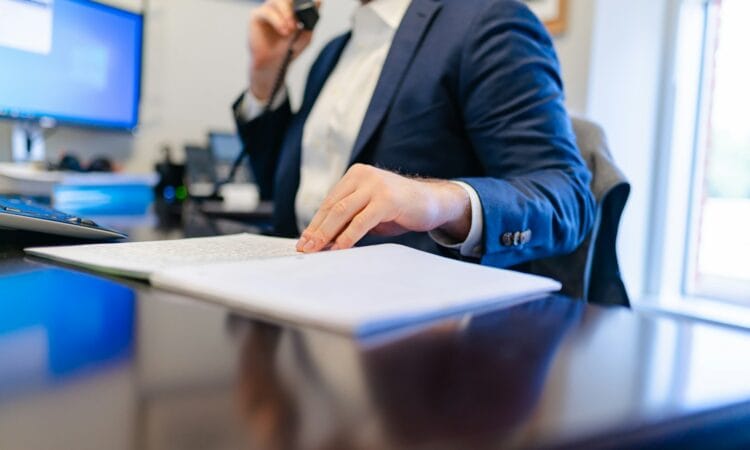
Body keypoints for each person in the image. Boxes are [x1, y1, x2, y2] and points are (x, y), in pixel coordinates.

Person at [233, 0, 595, 269]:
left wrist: (438, 201)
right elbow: (285, 196)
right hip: (297, 295)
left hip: (426, 336)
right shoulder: (332, 53)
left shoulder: (488, 23)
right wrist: (265, 78)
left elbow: (568, 199)